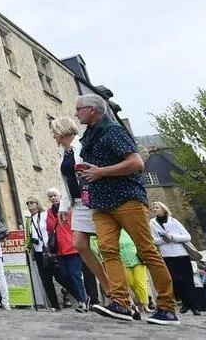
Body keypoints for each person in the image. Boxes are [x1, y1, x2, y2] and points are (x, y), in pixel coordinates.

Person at [73, 94, 179, 325]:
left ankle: (167, 308)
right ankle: (121, 303)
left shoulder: (113, 131)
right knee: (108, 251)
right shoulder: (89, 135)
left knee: (147, 251)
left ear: (92, 110)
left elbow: (136, 163)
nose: (76, 113)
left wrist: (100, 171)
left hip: (126, 198)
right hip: (101, 203)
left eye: (79, 109)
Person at [49, 117, 109, 309]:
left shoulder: (82, 147)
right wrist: (64, 207)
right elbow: (67, 181)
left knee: (107, 247)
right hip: (77, 203)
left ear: (63, 131)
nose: (53, 136)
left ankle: (117, 292)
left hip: (92, 200)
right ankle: (109, 287)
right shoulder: (63, 152)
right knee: (80, 245)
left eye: (54, 132)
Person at [149, 202, 200, 316]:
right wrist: (164, 240)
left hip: (181, 253)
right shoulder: (152, 223)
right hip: (167, 255)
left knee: (188, 280)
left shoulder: (174, 221)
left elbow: (187, 236)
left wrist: (172, 237)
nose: (155, 209)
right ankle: (185, 303)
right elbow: (153, 240)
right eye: (153, 208)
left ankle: (194, 306)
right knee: (176, 281)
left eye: (157, 207)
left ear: (163, 209)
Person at [45, 189, 89, 312]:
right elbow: (49, 229)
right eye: (50, 196)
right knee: (63, 276)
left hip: (72, 247)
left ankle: (83, 302)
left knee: (74, 274)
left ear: (60, 196)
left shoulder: (69, 210)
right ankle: (81, 298)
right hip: (59, 249)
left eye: (54, 195)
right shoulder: (49, 213)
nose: (53, 198)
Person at [25, 196, 61, 311]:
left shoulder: (45, 215)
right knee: (45, 279)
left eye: (32, 202)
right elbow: (29, 235)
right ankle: (54, 304)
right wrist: (28, 246)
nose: (30, 205)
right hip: (38, 252)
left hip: (49, 249)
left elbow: (52, 229)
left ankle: (78, 298)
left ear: (37, 203)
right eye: (27, 203)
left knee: (59, 276)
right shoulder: (29, 220)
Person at [119, 230, 150, 316]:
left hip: (137, 260)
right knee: (131, 283)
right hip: (125, 262)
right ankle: (141, 300)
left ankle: (145, 304)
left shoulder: (130, 230)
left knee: (140, 282)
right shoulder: (115, 233)